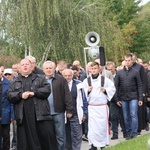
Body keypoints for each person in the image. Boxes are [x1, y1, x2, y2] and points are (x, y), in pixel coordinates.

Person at [7, 58, 57, 150]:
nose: (25, 66)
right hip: (23, 117)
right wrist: (21, 95)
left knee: (44, 140)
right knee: (25, 143)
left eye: (27, 64)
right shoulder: (14, 81)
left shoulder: (40, 78)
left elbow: (47, 90)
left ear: (32, 67)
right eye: (23, 65)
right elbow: (10, 95)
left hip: (40, 116)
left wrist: (34, 93)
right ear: (19, 68)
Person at [82, 62, 116, 150]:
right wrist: (87, 91)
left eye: (95, 68)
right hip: (92, 107)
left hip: (102, 107)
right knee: (92, 128)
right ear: (89, 69)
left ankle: (102, 144)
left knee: (102, 127)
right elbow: (82, 92)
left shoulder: (104, 80)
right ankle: (93, 145)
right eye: (92, 69)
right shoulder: (87, 80)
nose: (93, 70)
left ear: (99, 69)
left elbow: (112, 88)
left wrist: (105, 90)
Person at [43, 60, 73, 150]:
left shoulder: (60, 79)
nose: (48, 70)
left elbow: (67, 95)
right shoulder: (40, 80)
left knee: (60, 136)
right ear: (43, 69)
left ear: (54, 69)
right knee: (48, 136)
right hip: (45, 113)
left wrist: (69, 110)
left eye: (50, 68)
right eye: (47, 68)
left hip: (58, 112)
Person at [115, 54, 143, 140]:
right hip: (123, 97)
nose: (127, 62)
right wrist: (117, 99)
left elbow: (139, 85)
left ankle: (134, 132)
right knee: (126, 116)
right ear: (124, 61)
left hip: (133, 96)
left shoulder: (135, 71)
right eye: (126, 60)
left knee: (133, 114)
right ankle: (128, 132)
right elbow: (116, 86)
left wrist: (140, 98)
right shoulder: (119, 73)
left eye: (129, 60)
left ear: (131, 61)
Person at [62, 69, 88, 150]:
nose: (67, 77)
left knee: (77, 134)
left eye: (69, 75)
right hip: (63, 113)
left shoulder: (79, 84)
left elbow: (84, 99)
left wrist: (84, 112)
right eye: (65, 76)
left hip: (76, 113)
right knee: (66, 134)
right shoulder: (60, 84)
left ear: (72, 75)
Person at [106, 61, 126, 140]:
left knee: (122, 116)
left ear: (114, 68)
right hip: (112, 99)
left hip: (121, 98)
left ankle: (125, 131)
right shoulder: (106, 77)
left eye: (111, 69)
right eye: (108, 69)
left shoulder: (120, 75)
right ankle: (115, 133)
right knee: (113, 116)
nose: (110, 71)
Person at [0, 69, 15, 150]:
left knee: (6, 135)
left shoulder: (9, 83)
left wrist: (12, 115)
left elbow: (11, 100)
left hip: (5, 113)